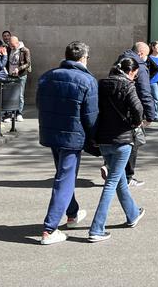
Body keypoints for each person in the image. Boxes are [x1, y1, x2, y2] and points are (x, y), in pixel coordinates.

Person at [36, 41, 98, 246]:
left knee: (64, 175)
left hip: (52, 131)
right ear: (84, 58)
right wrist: (96, 139)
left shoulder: (48, 76)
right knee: (65, 177)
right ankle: (49, 228)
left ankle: (72, 213)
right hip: (72, 135)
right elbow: (90, 116)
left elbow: (39, 103)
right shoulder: (87, 80)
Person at [88, 57, 146, 242]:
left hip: (104, 139)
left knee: (119, 178)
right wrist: (137, 122)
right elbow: (138, 108)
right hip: (122, 139)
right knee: (112, 182)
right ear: (130, 72)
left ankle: (132, 214)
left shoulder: (102, 84)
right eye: (135, 74)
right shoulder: (128, 86)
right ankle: (96, 228)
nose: (135, 77)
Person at [115, 42, 154, 187]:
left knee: (117, 140)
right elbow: (144, 92)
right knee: (133, 142)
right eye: (146, 56)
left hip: (115, 109)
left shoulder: (118, 63)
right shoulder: (139, 66)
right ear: (141, 54)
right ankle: (128, 176)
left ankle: (110, 165)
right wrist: (150, 114)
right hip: (132, 111)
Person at [7, 35, 31, 122]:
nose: (11, 47)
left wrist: (19, 69)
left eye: (13, 45)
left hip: (21, 75)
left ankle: (19, 113)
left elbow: (28, 63)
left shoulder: (25, 50)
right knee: (10, 95)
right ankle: (9, 114)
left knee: (20, 95)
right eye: (10, 45)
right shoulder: (9, 49)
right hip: (10, 75)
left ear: (17, 43)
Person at [147, 41, 158, 122]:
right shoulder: (149, 59)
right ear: (153, 48)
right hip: (152, 81)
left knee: (157, 98)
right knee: (155, 98)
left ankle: (153, 114)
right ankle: (154, 116)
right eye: (157, 47)